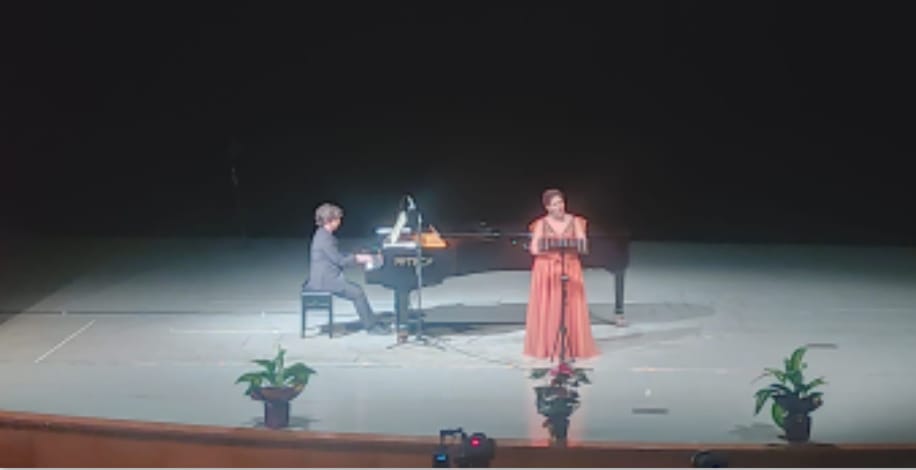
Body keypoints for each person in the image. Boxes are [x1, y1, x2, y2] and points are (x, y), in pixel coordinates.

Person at [523, 189, 599, 360]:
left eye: (561, 203)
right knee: (550, 305)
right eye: (555, 204)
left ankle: (572, 346)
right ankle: (548, 345)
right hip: (547, 269)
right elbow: (534, 249)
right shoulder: (541, 224)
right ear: (548, 207)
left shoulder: (575, 221)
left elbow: (583, 245)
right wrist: (551, 248)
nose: (560, 207)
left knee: (569, 304)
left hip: (569, 266)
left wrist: (570, 246)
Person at [304, 202, 389, 335]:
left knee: (356, 291)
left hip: (324, 278)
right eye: (338, 219)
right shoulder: (325, 238)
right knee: (357, 293)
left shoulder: (322, 234)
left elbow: (336, 256)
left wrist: (355, 255)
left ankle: (371, 322)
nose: (340, 222)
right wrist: (360, 258)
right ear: (330, 221)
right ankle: (371, 327)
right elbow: (340, 261)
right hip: (325, 281)